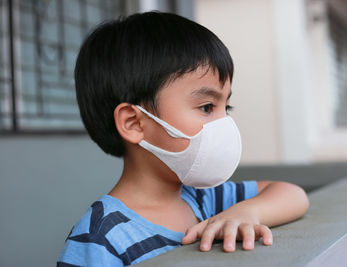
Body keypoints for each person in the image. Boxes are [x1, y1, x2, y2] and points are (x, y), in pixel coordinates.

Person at [57, 11, 310, 266]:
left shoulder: (203, 198)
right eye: (207, 107)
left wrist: (248, 212)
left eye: (227, 108)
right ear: (134, 123)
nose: (225, 124)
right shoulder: (99, 239)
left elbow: (293, 194)